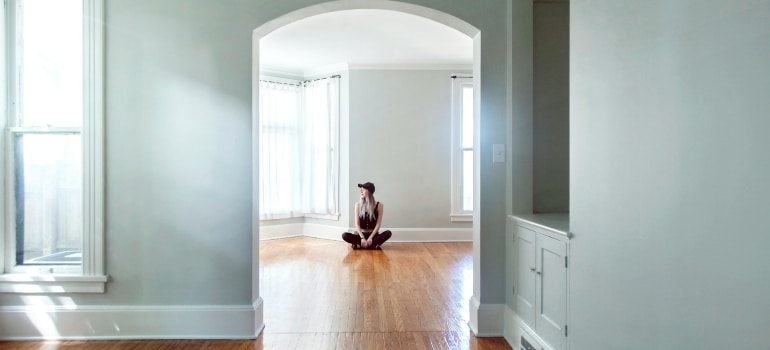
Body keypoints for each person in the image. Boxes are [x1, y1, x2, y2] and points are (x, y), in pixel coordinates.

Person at [342, 182, 392, 249]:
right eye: (361, 189)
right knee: (345, 235)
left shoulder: (379, 205)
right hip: (361, 235)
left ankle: (361, 244)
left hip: (373, 235)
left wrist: (370, 238)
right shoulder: (358, 205)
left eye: (363, 189)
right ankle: (372, 245)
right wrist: (362, 238)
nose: (361, 191)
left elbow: (378, 225)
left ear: (369, 191)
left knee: (388, 233)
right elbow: (357, 224)